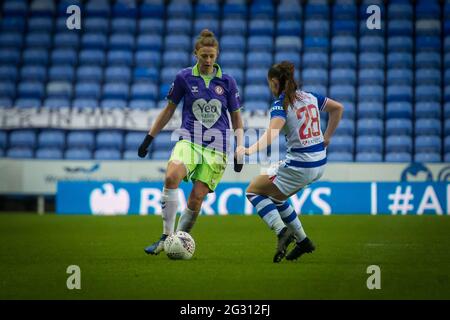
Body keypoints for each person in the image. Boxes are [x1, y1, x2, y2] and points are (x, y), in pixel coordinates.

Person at [138, 29, 244, 255]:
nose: (207, 60)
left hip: (218, 146)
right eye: (203, 55)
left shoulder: (228, 81)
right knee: (171, 176)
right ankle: (165, 237)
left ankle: (178, 241)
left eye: (211, 56)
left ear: (217, 56)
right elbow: (168, 111)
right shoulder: (184, 77)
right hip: (189, 139)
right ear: (195, 53)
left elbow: (236, 118)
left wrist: (240, 148)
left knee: (196, 198)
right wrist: (149, 137)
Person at [236, 61, 344, 263]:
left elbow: (271, 134)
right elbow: (338, 108)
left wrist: (246, 150)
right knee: (276, 198)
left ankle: (282, 232)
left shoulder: (280, 104)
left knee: (252, 191)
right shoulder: (310, 96)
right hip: (319, 162)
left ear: (275, 82)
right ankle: (303, 241)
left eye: (270, 83)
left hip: (300, 165)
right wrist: (326, 137)